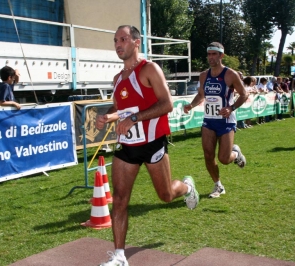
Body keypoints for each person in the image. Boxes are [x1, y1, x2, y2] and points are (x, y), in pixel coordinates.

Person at [96, 25, 199, 266]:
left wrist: (133, 119)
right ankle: (120, 257)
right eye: (115, 40)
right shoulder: (118, 79)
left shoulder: (149, 69)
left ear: (136, 42)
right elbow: (119, 109)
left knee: (165, 195)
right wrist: (108, 117)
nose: (118, 44)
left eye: (123, 39)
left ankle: (186, 187)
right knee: (120, 200)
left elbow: (167, 104)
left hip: (153, 143)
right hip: (127, 148)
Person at [183, 42, 247, 199]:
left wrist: (231, 108)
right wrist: (191, 105)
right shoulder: (204, 75)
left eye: (214, 54)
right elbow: (201, 94)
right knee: (208, 155)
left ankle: (235, 152)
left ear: (221, 56)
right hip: (209, 121)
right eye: (209, 54)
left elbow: (244, 94)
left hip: (226, 121)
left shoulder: (230, 74)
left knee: (224, 159)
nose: (211, 57)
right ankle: (218, 185)